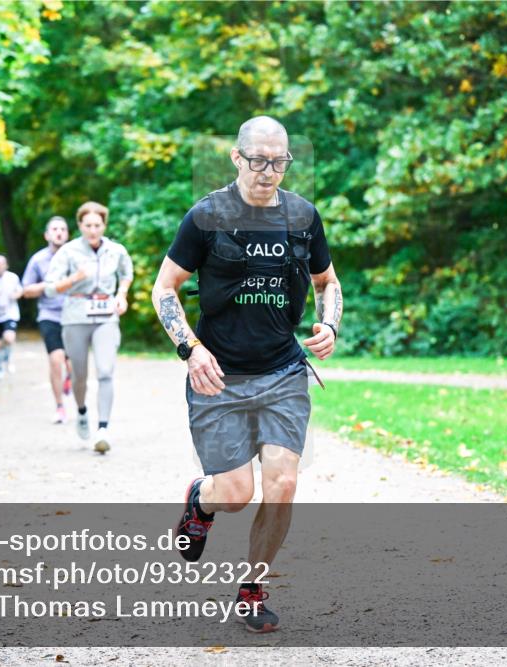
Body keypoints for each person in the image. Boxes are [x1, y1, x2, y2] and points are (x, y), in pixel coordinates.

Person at [151, 116, 342, 633]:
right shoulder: (207, 216)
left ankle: (252, 589)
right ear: (236, 158)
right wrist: (189, 348)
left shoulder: (303, 216)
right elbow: (164, 288)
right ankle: (201, 500)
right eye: (258, 160)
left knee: (282, 484)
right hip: (219, 376)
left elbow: (328, 281)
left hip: (282, 372)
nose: (268, 171)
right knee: (234, 494)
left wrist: (329, 322)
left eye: (279, 161)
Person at [45, 201, 133, 453]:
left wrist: (122, 294)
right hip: (75, 317)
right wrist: (75, 278)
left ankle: (103, 428)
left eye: (97, 225)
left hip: (106, 317)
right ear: (80, 226)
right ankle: (82, 411)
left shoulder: (116, 250)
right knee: (80, 374)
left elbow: (126, 273)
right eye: (88, 225)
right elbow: (50, 287)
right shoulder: (68, 252)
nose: (93, 230)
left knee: (105, 371)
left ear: (104, 225)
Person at [22, 216, 74, 424]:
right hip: (49, 315)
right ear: (47, 235)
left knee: (74, 365)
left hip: (74, 316)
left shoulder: (76, 257)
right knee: (56, 360)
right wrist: (50, 285)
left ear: (68, 234)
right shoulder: (37, 260)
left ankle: (69, 377)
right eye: (54, 229)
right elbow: (26, 290)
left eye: (63, 229)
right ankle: (60, 407)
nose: (59, 232)